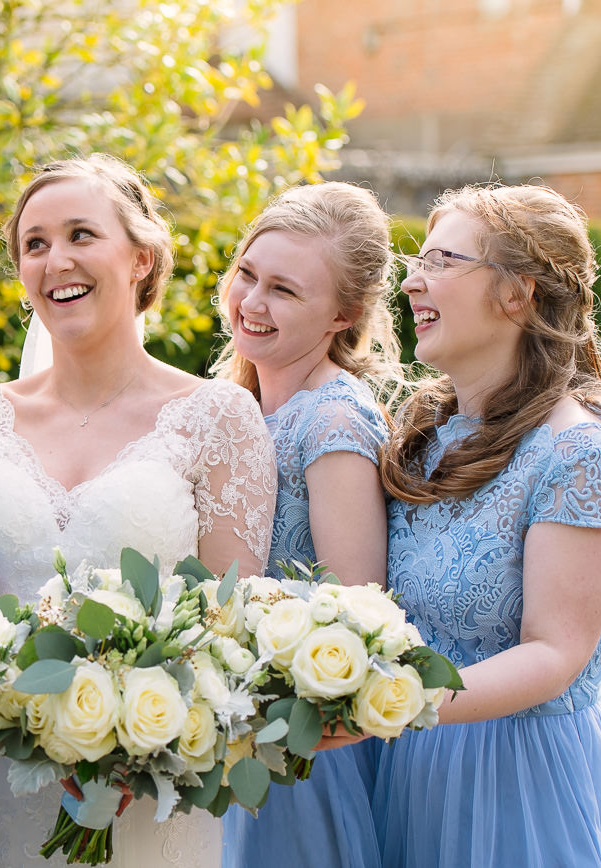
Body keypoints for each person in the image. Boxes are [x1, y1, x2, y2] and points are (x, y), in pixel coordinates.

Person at [0, 153, 276, 868]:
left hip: (150, 789)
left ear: (141, 257)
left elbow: (230, 619)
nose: (55, 259)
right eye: (34, 244)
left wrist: (135, 740)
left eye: (80, 235)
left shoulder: (217, 417)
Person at [372, 184, 601, 867]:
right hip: (412, 765)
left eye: (441, 260)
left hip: (519, 783)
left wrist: (393, 697)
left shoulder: (580, 457)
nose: (411, 281)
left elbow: (555, 654)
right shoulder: (429, 438)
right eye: (416, 262)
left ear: (517, 293)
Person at [213, 182, 398, 868]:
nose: (252, 303)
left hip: (294, 747)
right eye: (247, 275)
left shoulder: (333, 420)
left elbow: (357, 606)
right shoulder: (238, 402)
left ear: (341, 316)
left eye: (284, 290)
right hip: (226, 728)